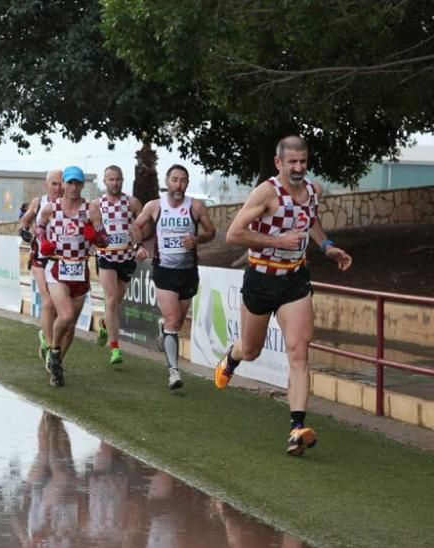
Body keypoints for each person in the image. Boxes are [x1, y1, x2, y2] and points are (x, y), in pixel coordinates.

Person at [213, 135, 352, 456]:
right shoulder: (266, 192)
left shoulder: (313, 191)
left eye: (303, 162)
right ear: (279, 163)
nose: (298, 168)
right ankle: (231, 358)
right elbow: (233, 234)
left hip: (295, 282)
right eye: (292, 162)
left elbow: (310, 221)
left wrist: (327, 247)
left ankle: (296, 429)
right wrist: (278, 242)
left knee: (299, 352)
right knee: (251, 350)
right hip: (261, 279)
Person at [130, 164, 216, 390]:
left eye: (184, 180)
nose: (179, 185)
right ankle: (173, 371)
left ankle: (165, 330)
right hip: (164, 270)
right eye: (175, 179)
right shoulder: (155, 206)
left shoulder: (195, 207)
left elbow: (211, 232)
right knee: (172, 321)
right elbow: (137, 226)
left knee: (176, 321)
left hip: (188, 271)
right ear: (167, 182)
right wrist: (138, 246)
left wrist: (197, 240)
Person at [37, 166, 108, 387]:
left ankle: (56, 364)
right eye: (70, 183)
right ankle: (53, 351)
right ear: (64, 184)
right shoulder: (51, 209)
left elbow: (104, 241)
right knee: (65, 316)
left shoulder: (91, 210)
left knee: (70, 326)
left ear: (82, 185)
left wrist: (94, 235)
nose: (73, 187)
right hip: (58, 269)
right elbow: (39, 227)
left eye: (78, 183)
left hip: (80, 271)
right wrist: (44, 244)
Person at [89, 165, 146, 365]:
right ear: (104, 182)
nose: (115, 183)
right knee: (111, 300)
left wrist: (140, 246)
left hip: (126, 258)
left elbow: (141, 227)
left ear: (123, 180)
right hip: (106, 257)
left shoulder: (132, 203)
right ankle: (115, 349)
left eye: (118, 179)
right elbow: (93, 229)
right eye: (111, 179)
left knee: (116, 303)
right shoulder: (96, 204)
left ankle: (105, 324)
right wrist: (93, 244)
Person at [18, 169, 63, 362]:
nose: (58, 188)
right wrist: (23, 231)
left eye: (61, 183)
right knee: (48, 302)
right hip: (40, 258)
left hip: (61, 259)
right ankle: (50, 346)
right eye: (54, 184)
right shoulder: (39, 203)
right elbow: (25, 220)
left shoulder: (70, 206)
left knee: (59, 309)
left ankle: (46, 336)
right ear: (47, 185)